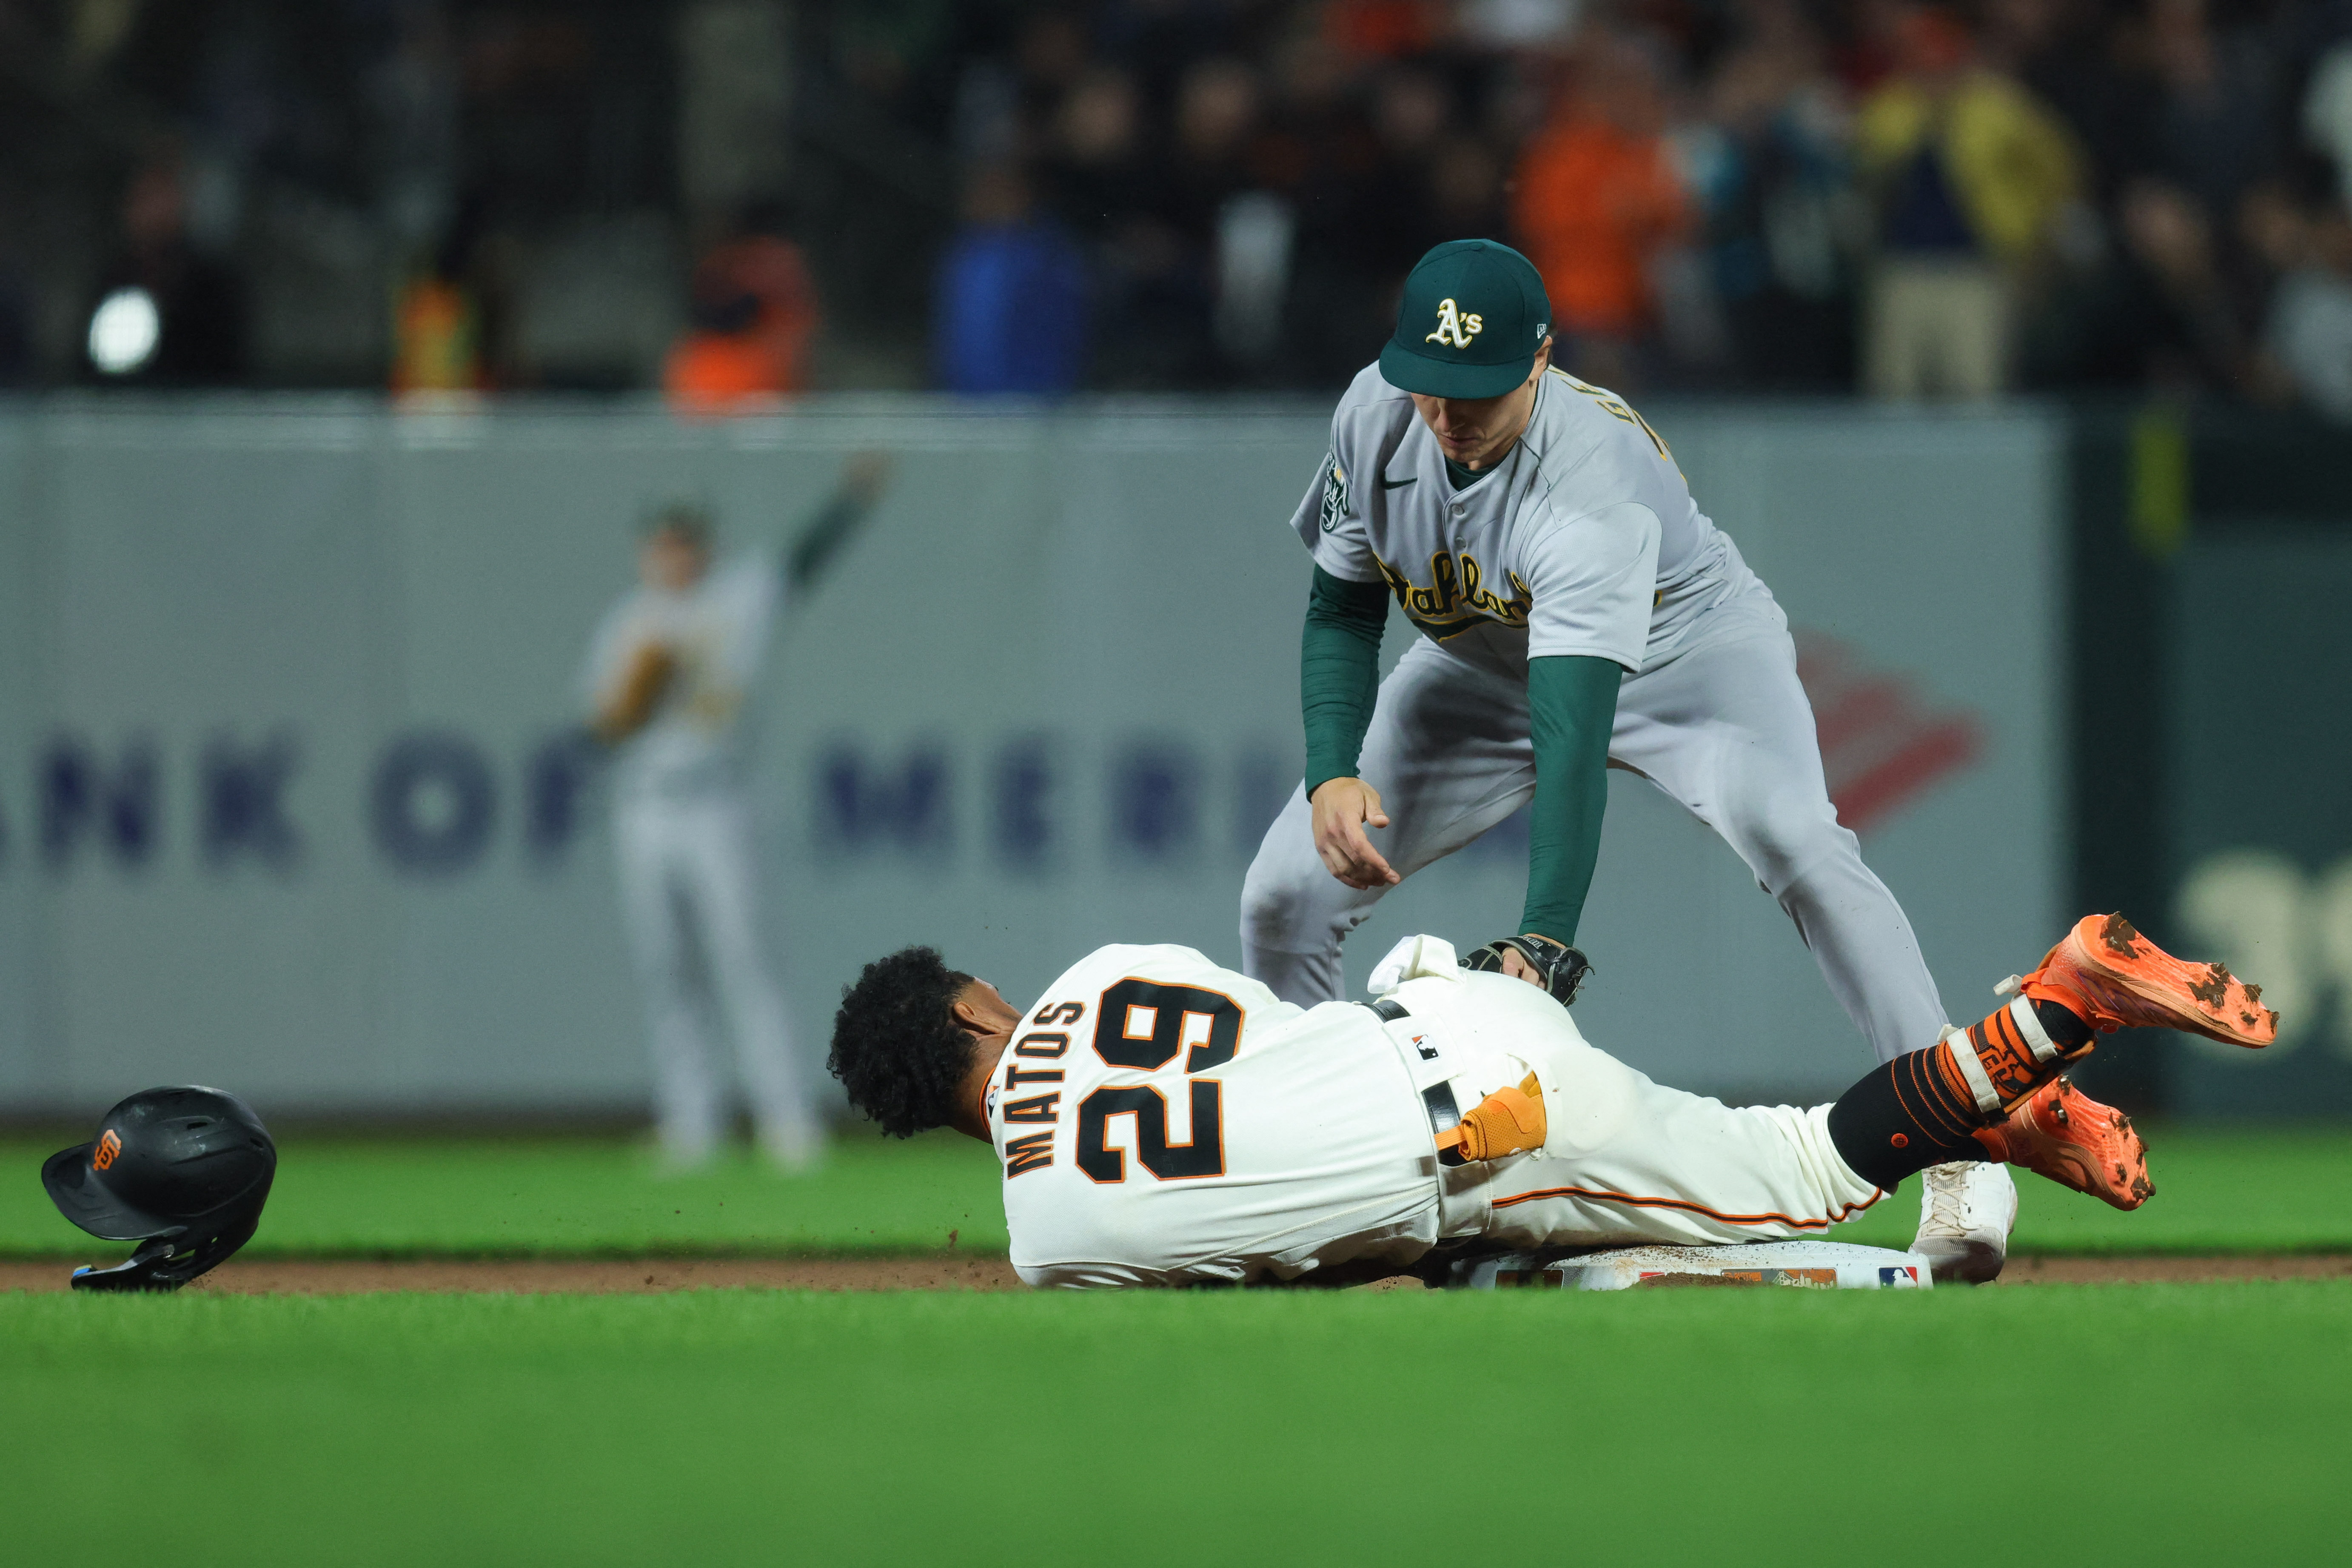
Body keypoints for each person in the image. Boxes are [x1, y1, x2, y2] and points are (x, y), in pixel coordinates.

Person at [1235, 235, 2015, 1280]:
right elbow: (1338, 608)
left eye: (1479, 389)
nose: (1449, 412)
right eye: (1430, 383)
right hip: (1474, 663)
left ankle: (1961, 1144)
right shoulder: (1374, 410)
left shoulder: (1586, 484)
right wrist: (1332, 765)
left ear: (1543, 358)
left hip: (1688, 658)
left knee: (1798, 842)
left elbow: (1570, 738)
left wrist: (1544, 937)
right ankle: (1329, 1163)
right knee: (1281, 897)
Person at [826, 914, 2275, 1289]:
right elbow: (1293, 1042)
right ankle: (1997, 1110)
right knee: (1552, 1231)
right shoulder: (1100, 974)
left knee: (1806, 1170)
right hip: (1453, 1023)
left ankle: (2053, 1013)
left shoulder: (1044, 1238)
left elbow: (1268, 1250)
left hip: (1488, 1145)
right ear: (976, 1009)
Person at [583, 456, 886, 1167]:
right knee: (666, 969)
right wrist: (633, 705)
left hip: (718, 802)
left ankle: (788, 1125)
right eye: (665, 538)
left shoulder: (738, 598)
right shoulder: (627, 623)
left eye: (687, 537)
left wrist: (850, 501)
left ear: (706, 545)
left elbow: (799, 563)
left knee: (747, 960)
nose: (677, 549)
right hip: (644, 808)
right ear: (646, 549)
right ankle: (692, 1126)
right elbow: (597, 729)